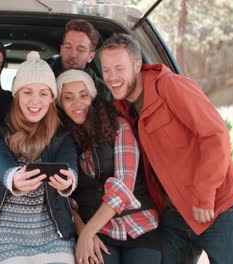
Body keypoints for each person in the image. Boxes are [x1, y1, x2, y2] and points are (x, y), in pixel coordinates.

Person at [99, 33, 233, 263]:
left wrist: (204, 195)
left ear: (137, 65)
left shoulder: (170, 86)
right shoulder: (121, 111)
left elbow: (214, 136)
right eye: (106, 70)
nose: (112, 77)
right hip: (174, 214)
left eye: (119, 68)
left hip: (216, 206)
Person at [0, 51, 78, 264]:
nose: (35, 101)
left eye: (44, 93)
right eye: (27, 92)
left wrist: (69, 179)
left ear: (52, 98)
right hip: (6, 230)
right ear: (16, 95)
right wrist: (13, 176)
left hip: (53, 230)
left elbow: (69, 162)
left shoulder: (61, 135)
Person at [56, 69, 161, 264]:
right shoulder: (63, 140)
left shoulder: (118, 127)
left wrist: (87, 233)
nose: (77, 103)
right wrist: (83, 234)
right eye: (68, 98)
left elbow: (122, 186)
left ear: (93, 97)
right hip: (98, 231)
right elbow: (65, 199)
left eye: (83, 95)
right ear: (61, 105)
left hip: (139, 225)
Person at [48, 19, 111, 102]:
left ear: (90, 57)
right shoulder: (42, 76)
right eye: (68, 47)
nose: (73, 55)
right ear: (61, 49)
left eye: (81, 50)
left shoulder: (101, 92)